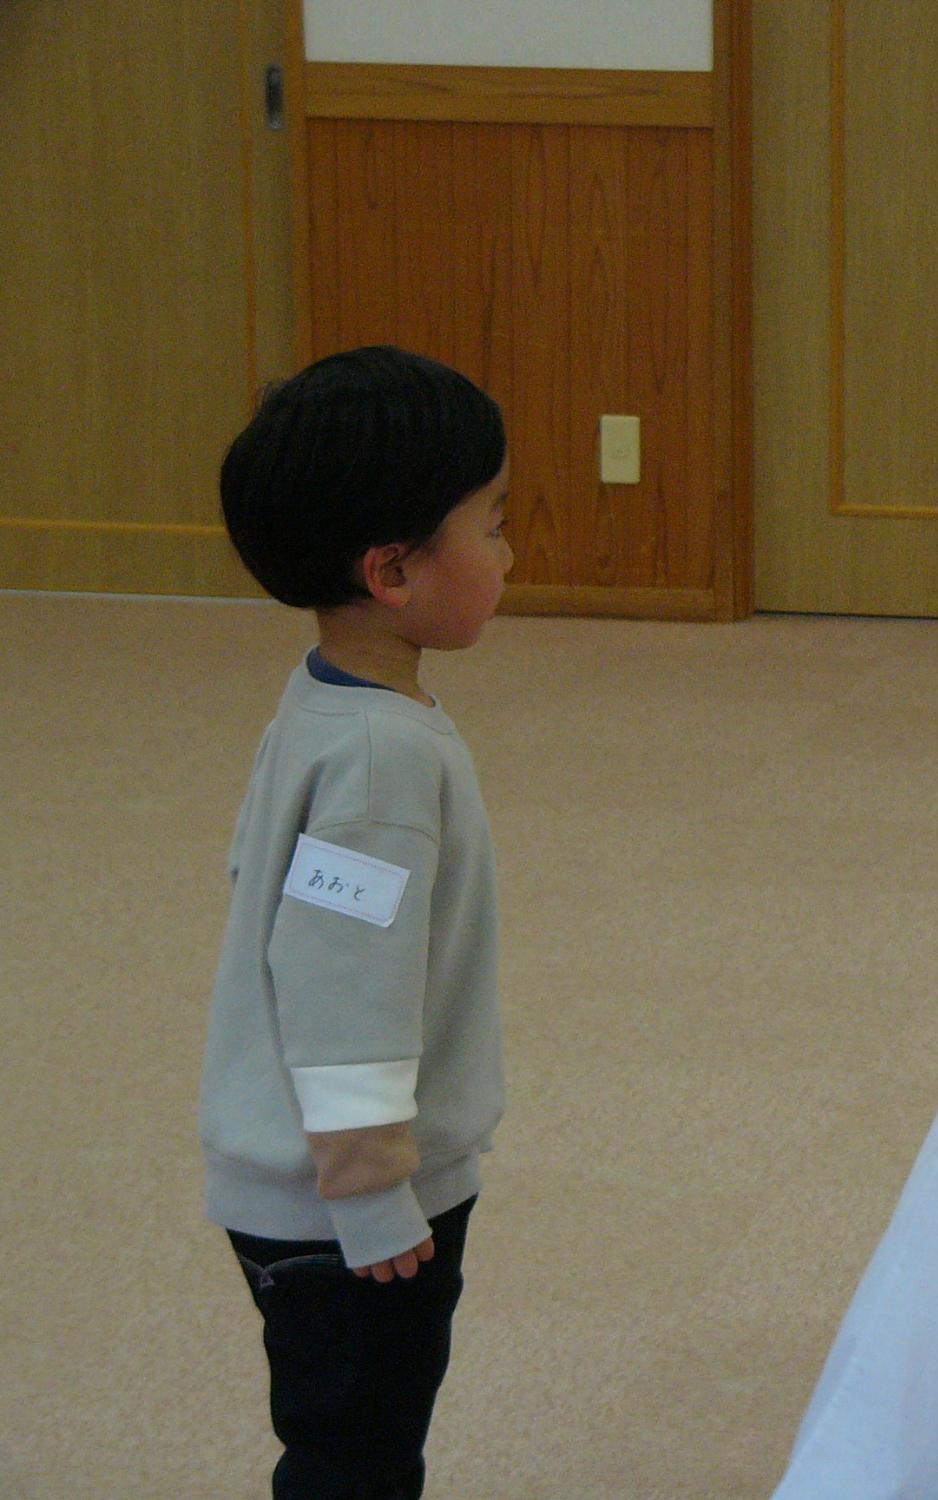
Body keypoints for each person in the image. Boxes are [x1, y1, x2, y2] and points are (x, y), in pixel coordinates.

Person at [201, 346, 513, 1499]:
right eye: (489, 524)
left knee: (350, 1441)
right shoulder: (379, 759)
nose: (507, 552)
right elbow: (343, 989)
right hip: (347, 1206)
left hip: (319, 1187)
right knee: (356, 1458)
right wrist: (374, 1194)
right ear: (392, 569)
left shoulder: (329, 696)